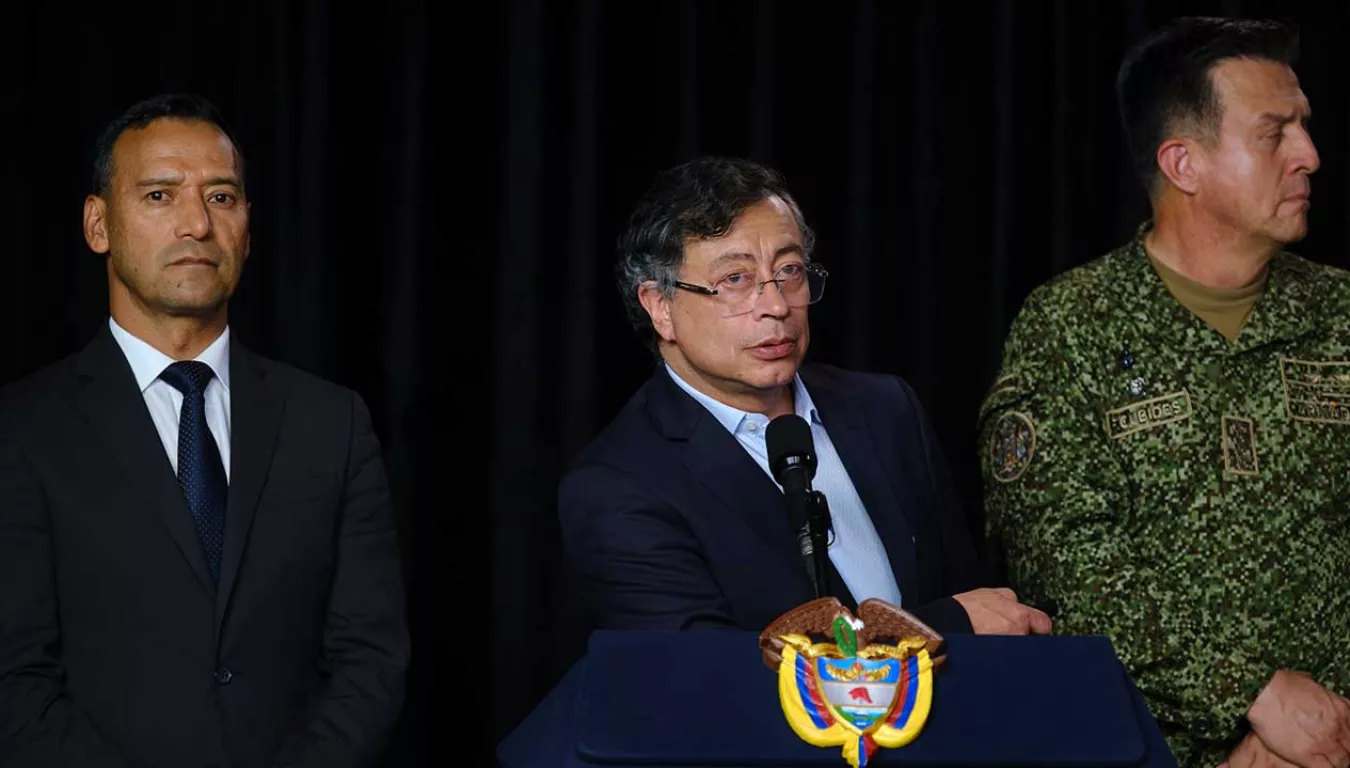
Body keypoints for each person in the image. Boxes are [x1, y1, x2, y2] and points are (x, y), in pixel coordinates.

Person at [0, 94, 409, 767]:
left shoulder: (332, 422)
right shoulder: (16, 431)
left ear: (246, 225)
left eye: (221, 197)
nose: (196, 224)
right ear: (98, 223)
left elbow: (371, 658)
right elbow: (8, 686)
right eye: (159, 195)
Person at [977, 17, 1349, 768]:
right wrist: (1250, 692)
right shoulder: (1071, 327)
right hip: (1140, 749)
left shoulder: (1339, 315)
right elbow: (1064, 557)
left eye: (1304, 129)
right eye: (1275, 134)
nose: (1309, 156)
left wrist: (1324, 722)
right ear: (1183, 163)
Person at [559, 156, 1051, 637]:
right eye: (736, 280)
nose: (776, 305)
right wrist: (941, 625)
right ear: (660, 306)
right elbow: (707, 682)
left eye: (790, 270)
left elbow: (984, 611)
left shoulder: (886, 410)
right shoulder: (619, 487)